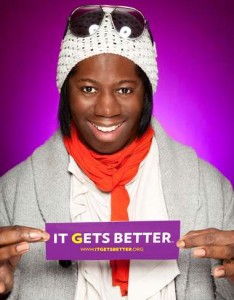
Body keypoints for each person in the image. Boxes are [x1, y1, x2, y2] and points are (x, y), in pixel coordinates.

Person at [0, 4, 233, 300]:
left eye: (124, 90)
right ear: (65, 91)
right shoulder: (10, 194)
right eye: (88, 89)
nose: (106, 109)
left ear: (145, 93)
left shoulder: (213, 190)